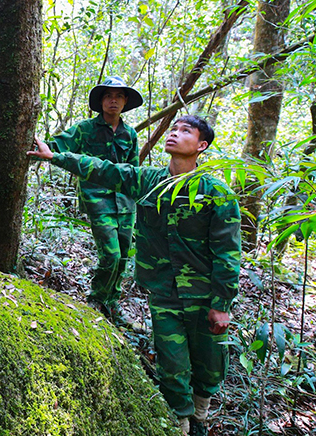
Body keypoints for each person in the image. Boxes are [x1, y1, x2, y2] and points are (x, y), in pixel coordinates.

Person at [29, 115, 241, 436]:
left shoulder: (216, 192)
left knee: (210, 364)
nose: (174, 134)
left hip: (204, 296)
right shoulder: (150, 180)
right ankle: (181, 423)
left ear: (201, 146)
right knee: (171, 364)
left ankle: (200, 413)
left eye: (186, 131)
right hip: (164, 294)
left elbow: (228, 250)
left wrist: (222, 303)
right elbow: (106, 170)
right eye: (173, 128)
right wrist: (55, 156)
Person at [49, 76, 141, 324]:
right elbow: (57, 145)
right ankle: (96, 299)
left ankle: (112, 301)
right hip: (97, 199)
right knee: (110, 255)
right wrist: (38, 149)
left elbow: (134, 171)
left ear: (125, 102)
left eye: (119, 96)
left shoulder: (129, 134)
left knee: (122, 255)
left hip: (125, 203)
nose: (114, 100)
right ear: (101, 102)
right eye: (108, 96)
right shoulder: (85, 129)